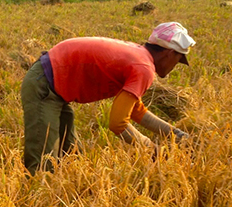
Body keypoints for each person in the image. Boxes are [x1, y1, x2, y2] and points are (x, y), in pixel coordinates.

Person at [21, 22, 194, 174]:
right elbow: (117, 124)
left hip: (55, 85)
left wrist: (177, 135)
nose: (176, 66)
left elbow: (136, 110)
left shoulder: (139, 56)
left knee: (71, 154)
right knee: (44, 161)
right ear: (169, 53)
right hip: (45, 85)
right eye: (179, 59)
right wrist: (152, 150)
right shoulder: (143, 67)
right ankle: (37, 201)